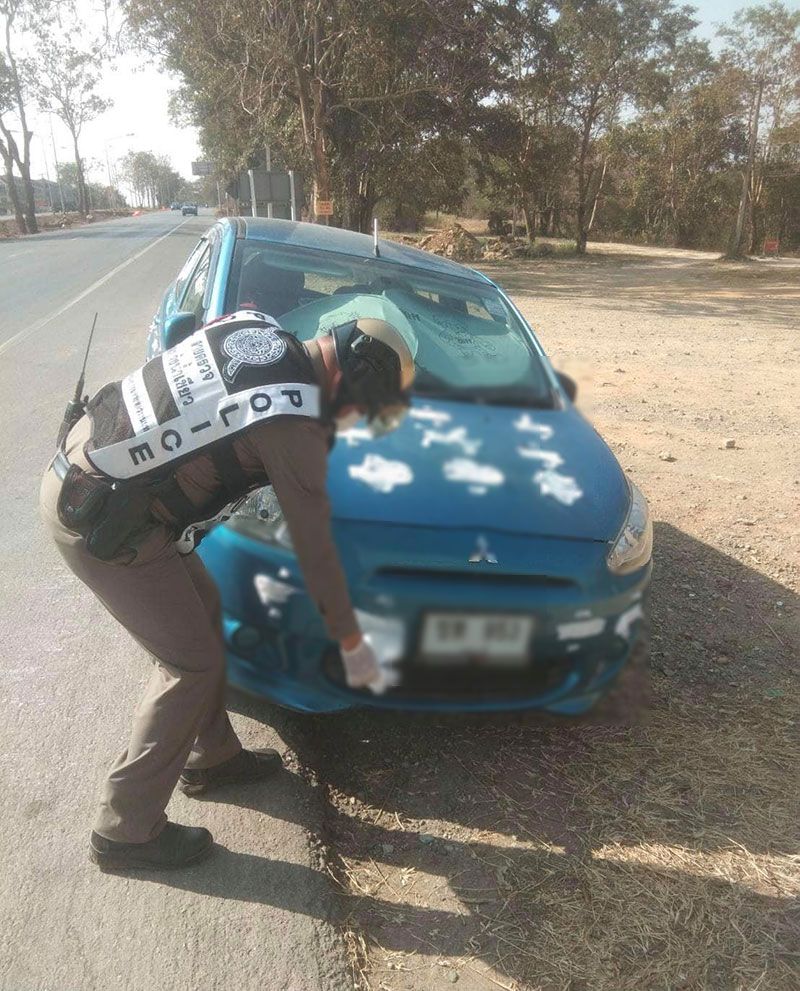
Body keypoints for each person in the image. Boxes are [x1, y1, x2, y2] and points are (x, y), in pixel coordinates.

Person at [39, 310, 416, 871]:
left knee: (206, 608)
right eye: (363, 408)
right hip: (102, 521)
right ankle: (125, 830)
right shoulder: (291, 417)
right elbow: (316, 549)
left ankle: (211, 757)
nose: (355, 421)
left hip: (88, 470)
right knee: (189, 665)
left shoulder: (257, 327)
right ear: (353, 379)